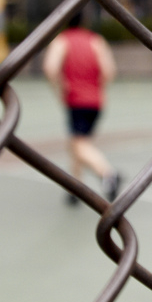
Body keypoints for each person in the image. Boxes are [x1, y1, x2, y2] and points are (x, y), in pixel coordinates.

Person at [43, 11, 121, 205]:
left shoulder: (62, 41)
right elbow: (109, 71)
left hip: (76, 100)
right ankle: (76, 189)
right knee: (77, 142)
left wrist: (60, 87)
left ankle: (108, 174)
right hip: (95, 101)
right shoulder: (96, 41)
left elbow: (50, 68)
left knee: (79, 144)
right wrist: (97, 87)